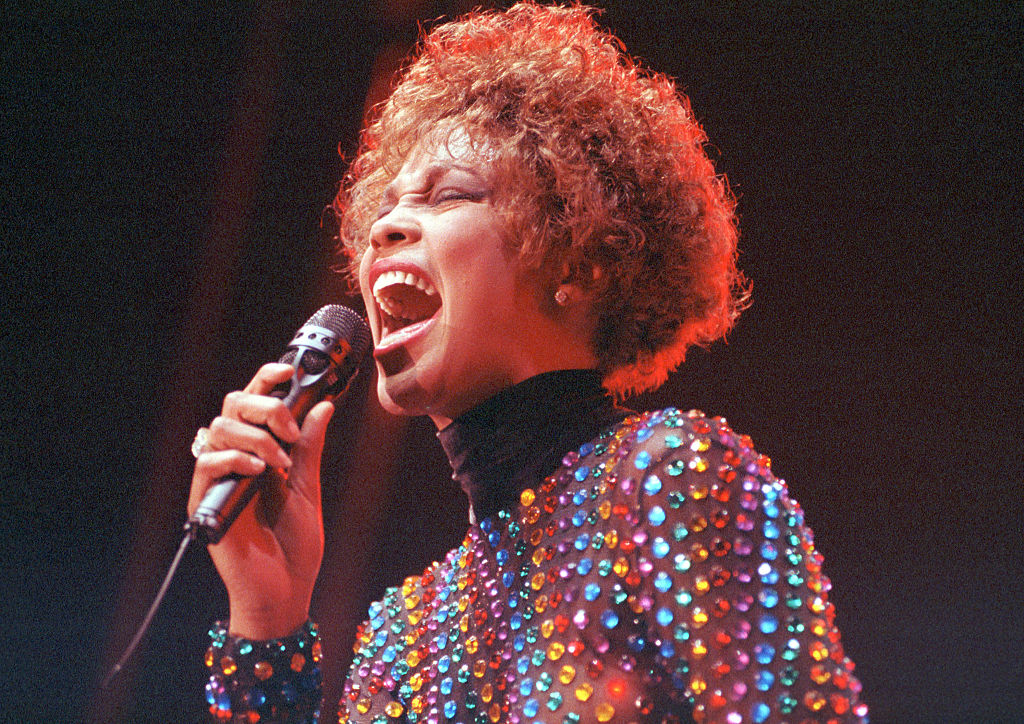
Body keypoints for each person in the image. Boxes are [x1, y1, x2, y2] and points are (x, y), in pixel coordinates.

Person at [188, 3, 868, 722]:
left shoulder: (667, 476)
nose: (384, 228)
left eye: (450, 194)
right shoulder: (402, 635)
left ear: (576, 255)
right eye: (382, 209)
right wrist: (269, 618)